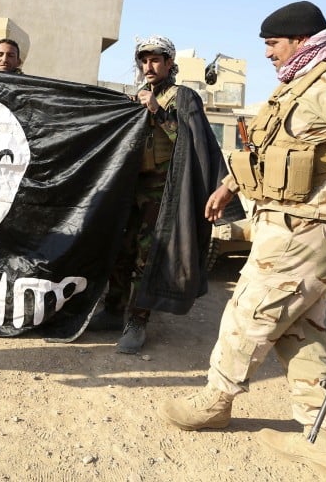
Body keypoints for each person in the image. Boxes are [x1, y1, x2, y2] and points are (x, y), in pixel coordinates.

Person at [160, 1, 326, 481]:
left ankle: (217, 399)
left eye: (272, 43)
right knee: (299, 332)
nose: (268, 53)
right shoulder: (300, 84)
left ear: (298, 39)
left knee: (248, 314)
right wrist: (231, 184)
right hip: (287, 224)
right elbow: (266, 149)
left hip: (308, 229)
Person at [90, 36, 229, 355]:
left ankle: (137, 320)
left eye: (155, 60)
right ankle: (113, 310)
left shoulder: (183, 97)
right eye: (144, 60)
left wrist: (159, 113)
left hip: (164, 191)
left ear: (169, 63)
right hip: (131, 188)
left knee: (145, 256)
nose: (148, 66)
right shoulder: (138, 95)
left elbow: (190, 142)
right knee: (120, 250)